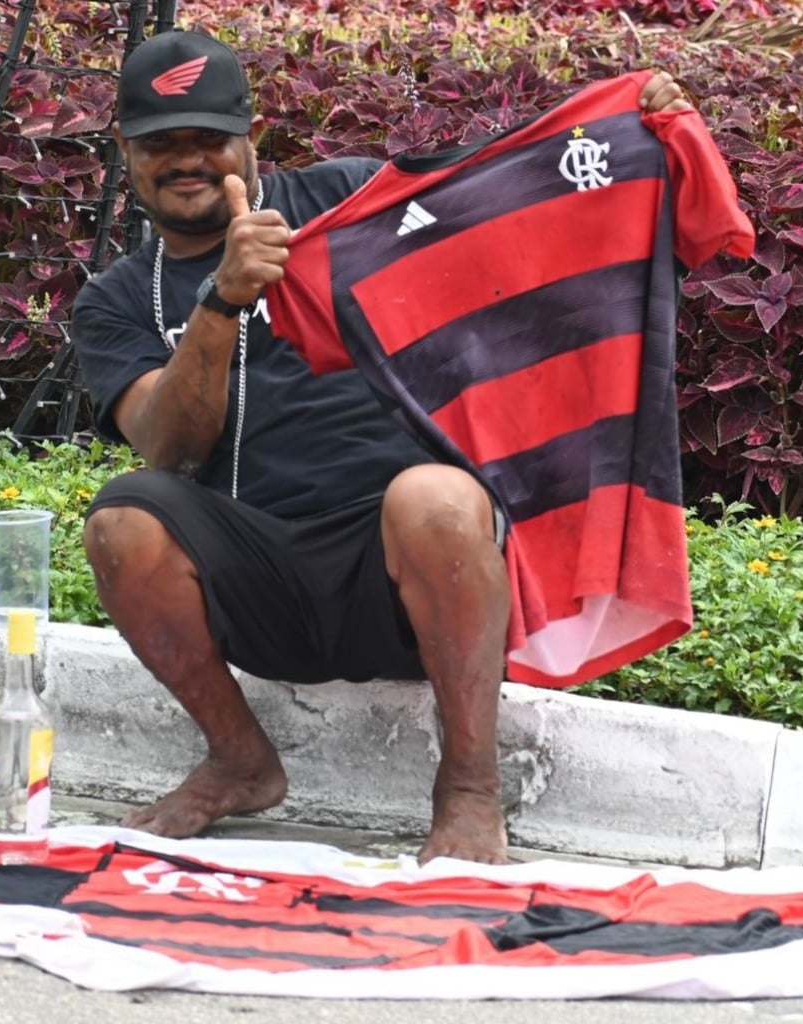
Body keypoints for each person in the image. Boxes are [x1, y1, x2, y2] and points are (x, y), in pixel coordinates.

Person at [70, 28, 697, 865]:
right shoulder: (117, 300)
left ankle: (471, 788)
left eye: (209, 139)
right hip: (261, 579)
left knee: (434, 496)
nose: (188, 162)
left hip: (409, 568)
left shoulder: (347, 204)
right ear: (126, 151)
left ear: (248, 134)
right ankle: (239, 761)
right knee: (124, 520)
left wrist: (624, 132)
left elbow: (510, 198)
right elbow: (170, 450)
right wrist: (221, 301)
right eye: (161, 146)